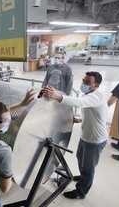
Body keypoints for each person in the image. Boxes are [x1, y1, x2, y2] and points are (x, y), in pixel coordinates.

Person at [41, 71, 108, 199]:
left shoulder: (96, 96)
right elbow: (92, 112)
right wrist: (80, 120)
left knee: (89, 167)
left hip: (95, 140)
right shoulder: (89, 94)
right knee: (80, 159)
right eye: (83, 80)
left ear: (97, 85)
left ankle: (81, 192)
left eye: (87, 82)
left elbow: (79, 103)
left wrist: (56, 95)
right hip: (86, 136)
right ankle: (83, 177)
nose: (83, 83)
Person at [41, 53, 74, 182]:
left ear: (63, 58)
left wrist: (63, 98)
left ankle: (56, 140)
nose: (56, 59)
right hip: (48, 97)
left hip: (59, 98)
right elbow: (46, 79)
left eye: (59, 57)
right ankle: (46, 136)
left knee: (56, 121)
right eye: (55, 57)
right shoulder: (50, 67)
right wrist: (43, 90)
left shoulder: (67, 69)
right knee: (48, 119)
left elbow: (69, 84)